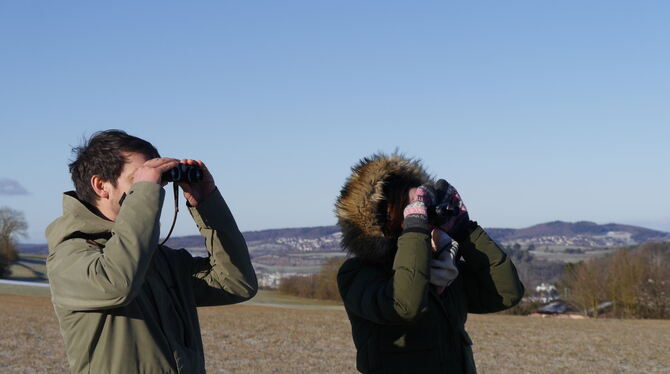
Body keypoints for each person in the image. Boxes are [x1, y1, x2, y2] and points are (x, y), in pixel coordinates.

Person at [46, 130, 258, 374]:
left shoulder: (160, 261)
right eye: (138, 179)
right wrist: (146, 190)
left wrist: (207, 204)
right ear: (101, 185)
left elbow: (236, 284)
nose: (153, 188)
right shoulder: (69, 258)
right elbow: (117, 283)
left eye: (158, 180)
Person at [335, 153, 525, 374]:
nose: (425, 213)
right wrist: (415, 227)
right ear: (386, 214)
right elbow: (405, 304)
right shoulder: (358, 274)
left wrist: (464, 230)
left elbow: (506, 292)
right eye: (414, 206)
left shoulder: (445, 268)